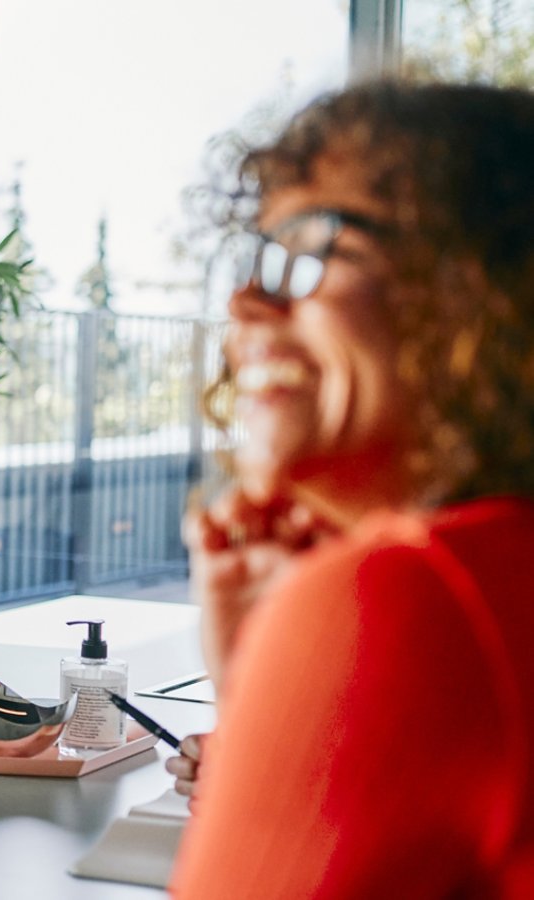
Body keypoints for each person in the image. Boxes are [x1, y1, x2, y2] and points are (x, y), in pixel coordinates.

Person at [167, 83, 534, 897]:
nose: (246, 301)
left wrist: (321, 652)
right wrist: (268, 704)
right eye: (257, 257)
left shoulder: (411, 595)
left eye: (309, 247)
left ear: (477, 288)